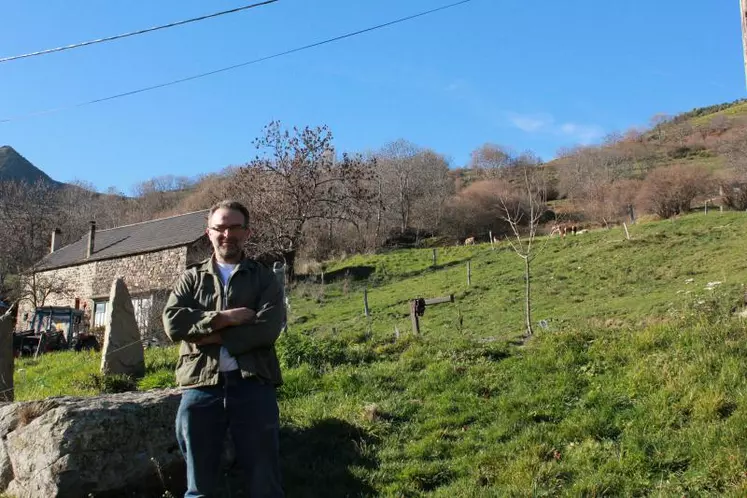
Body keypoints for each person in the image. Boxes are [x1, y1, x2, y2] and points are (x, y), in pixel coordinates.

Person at [163, 200, 285, 498]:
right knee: (198, 479)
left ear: (247, 232)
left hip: (253, 381)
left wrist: (208, 335)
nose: (226, 234)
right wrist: (225, 318)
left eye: (234, 227)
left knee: (263, 475)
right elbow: (173, 324)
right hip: (201, 384)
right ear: (209, 232)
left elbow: (268, 328)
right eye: (220, 227)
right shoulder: (192, 277)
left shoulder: (264, 277)